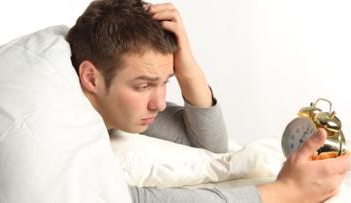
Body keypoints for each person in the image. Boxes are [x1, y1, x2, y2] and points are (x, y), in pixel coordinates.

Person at [66, 0, 350, 202]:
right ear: (91, 77)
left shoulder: (107, 105)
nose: (160, 103)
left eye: (166, 82)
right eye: (143, 85)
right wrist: (282, 192)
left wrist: (189, 70)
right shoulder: (56, 132)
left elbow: (210, 146)